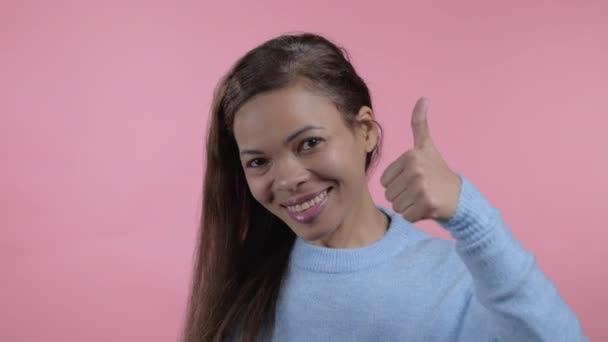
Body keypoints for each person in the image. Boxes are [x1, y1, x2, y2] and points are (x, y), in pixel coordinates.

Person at [182, 33, 587, 342]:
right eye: (258, 162)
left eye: (309, 143)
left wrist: (471, 216)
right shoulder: (244, 288)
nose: (287, 180)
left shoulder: (456, 278)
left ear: (366, 131)